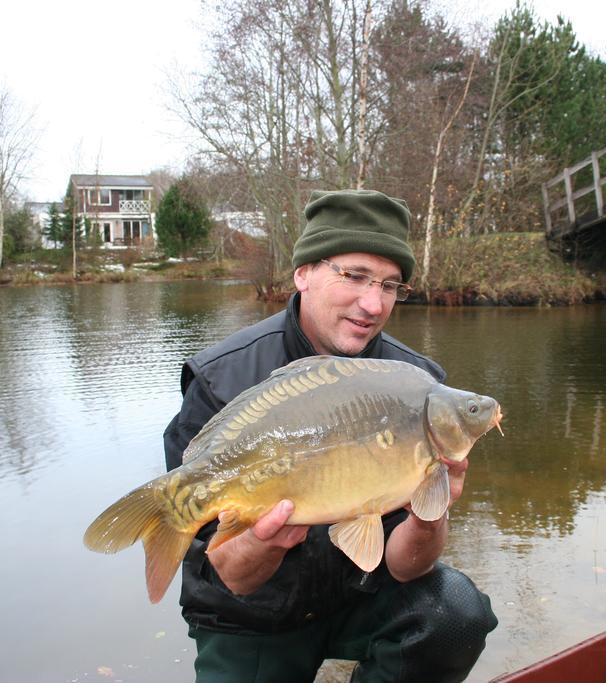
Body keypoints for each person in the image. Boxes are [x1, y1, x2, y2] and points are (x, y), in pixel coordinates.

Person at [163, 189, 498, 682]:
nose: (372, 303)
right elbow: (230, 576)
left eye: (389, 285)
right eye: (355, 276)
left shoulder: (418, 383)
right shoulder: (221, 381)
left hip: (358, 598)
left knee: (455, 613)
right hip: (251, 618)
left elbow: (406, 569)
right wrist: (267, 541)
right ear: (303, 273)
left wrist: (431, 514)